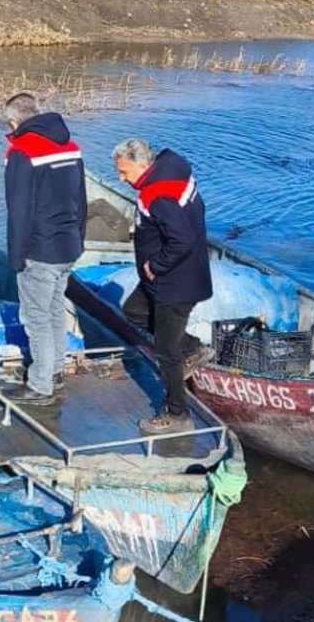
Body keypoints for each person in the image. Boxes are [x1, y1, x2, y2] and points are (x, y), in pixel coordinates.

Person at [112, 138, 214, 434]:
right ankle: (193, 347)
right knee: (134, 310)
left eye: (123, 172)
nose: (121, 178)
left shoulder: (158, 195)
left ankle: (177, 413)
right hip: (172, 277)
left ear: (142, 165)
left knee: (166, 352)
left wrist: (156, 265)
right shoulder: (174, 171)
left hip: (174, 283)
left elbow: (182, 238)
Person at [0, 93, 87, 405]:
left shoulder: (22, 151)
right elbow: (81, 196)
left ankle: (39, 386)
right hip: (69, 245)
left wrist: (15, 255)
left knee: (36, 316)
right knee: (54, 310)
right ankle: (54, 371)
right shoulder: (70, 146)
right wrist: (80, 237)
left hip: (40, 248)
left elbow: (19, 209)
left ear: (14, 121)